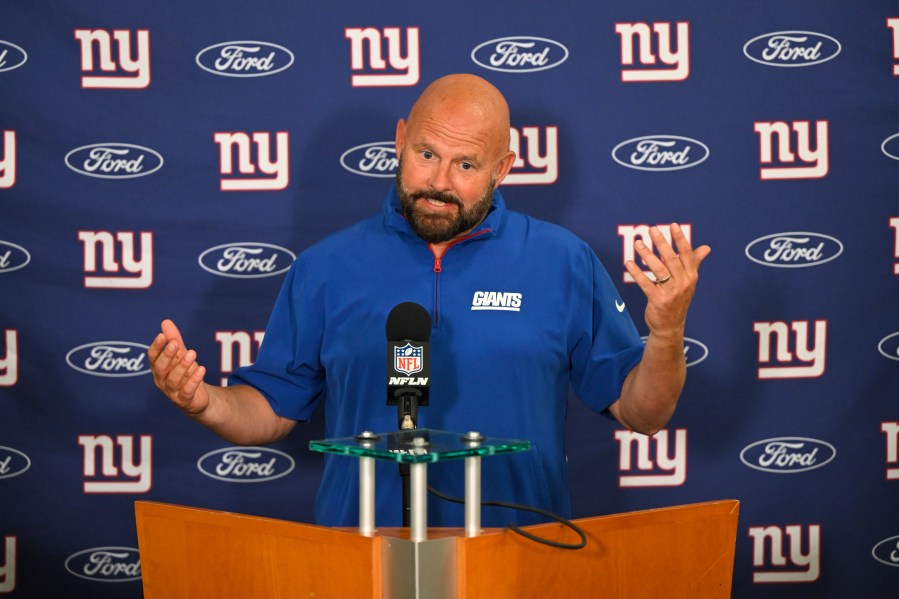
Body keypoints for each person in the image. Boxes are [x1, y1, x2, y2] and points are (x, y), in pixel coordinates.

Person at [148, 74, 710, 527]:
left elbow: (643, 413)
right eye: (425, 153)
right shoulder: (325, 267)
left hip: (516, 561)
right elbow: (271, 408)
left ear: (503, 169)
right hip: (363, 556)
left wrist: (665, 335)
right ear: (399, 140)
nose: (439, 181)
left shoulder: (563, 261)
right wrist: (207, 403)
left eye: (466, 165)